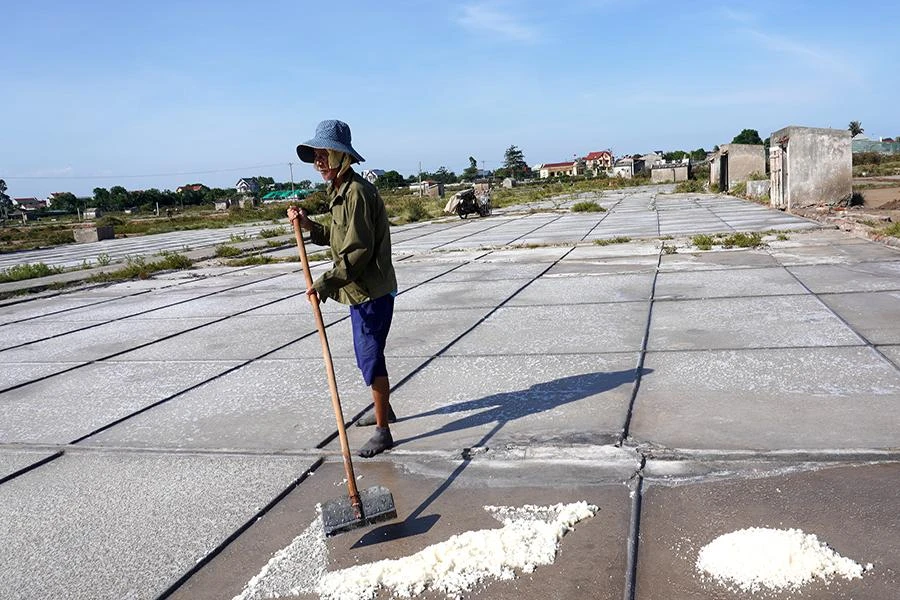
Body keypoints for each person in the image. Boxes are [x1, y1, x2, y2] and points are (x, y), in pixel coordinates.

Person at [287, 119, 398, 458]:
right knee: (367, 356)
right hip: (359, 291)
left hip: (371, 291)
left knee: (370, 357)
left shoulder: (358, 193)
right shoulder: (339, 192)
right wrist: (308, 225)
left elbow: (358, 251)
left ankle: (383, 431)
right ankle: (384, 410)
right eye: (316, 155)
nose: (319, 161)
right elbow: (338, 238)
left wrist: (324, 283)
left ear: (342, 157)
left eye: (324, 154)